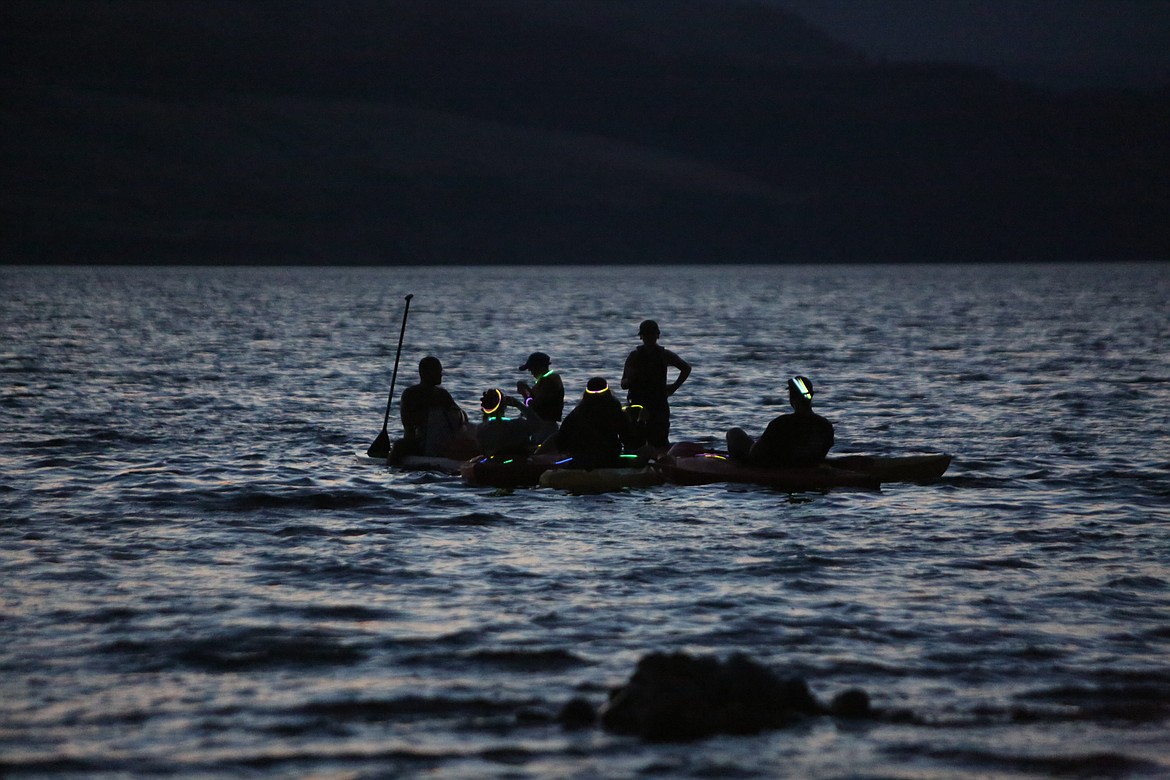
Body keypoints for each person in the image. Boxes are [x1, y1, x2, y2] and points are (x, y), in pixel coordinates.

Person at [726, 375, 835, 468]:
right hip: (807, 465)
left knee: (734, 433)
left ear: (792, 397)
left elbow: (755, 453)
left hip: (776, 467)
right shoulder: (826, 425)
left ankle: (733, 467)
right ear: (812, 395)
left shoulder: (781, 423)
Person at [620, 320, 691, 449]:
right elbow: (623, 384)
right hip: (637, 404)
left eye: (651, 334)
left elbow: (686, 368)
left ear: (657, 335)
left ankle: (660, 464)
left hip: (658, 404)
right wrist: (631, 379)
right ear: (641, 336)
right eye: (646, 335)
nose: (648, 338)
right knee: (635, 442)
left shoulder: (664, 355)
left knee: (660, 441)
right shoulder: (634, 356)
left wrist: (673, 387)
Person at [395, 356, 473, 460]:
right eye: (436, 371)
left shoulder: (442, 394)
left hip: (442, 442)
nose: (441, 374)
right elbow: (408, 422)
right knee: (398, 446)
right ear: (425, 373)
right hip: (418, 442)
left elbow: (458, 414)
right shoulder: (411, 394)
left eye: (440, 371)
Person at [552, 377, 637, 469]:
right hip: (610, 460)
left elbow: (561, 440)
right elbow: (629, 439)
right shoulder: (616, 412)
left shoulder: (577, 413)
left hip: (581, 461)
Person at [516, 351, 564, 444]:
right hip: (543, 426)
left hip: (545, 427)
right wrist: (527, 389)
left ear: (539, 367)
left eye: (531, 368)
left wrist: (524, 394)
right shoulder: (547, 380)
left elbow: (534, 406)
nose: (530, 371)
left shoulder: (548, 382)